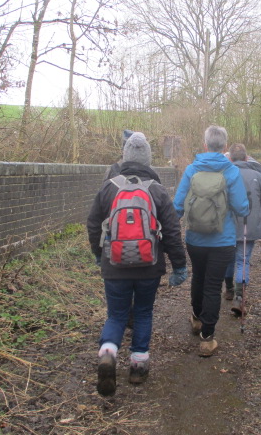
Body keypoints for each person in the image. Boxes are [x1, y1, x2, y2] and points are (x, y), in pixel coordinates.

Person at [87, 132, 188, 396]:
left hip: (114, 264)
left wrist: (99, 253)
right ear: (148, 160)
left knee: (117, 314)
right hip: (148, 265)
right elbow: (173, 232)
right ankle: (138, 367)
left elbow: (92, 223)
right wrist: (179, 266)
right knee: (143, 312)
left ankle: (108, 352)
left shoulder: (109, 186)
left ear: (125, 157)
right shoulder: (156, 190)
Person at [173, 126, 249, 357]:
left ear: (205, 145)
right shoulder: (231, 171)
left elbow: (177, 205)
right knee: (213, 286)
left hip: (195, 239)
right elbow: (242, 207)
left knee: (198, 277)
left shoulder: (191, 169)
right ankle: (207, 339)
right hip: (222, 241)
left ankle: (196, 319)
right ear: (225, 147)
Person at [223, 143, 261, 314]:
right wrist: (256, 216)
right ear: (246, 158)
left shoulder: (225, 175)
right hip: (248, 227)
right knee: (242, 260)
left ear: (230, 158)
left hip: (228, 226)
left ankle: (229, 289)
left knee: (229, 259)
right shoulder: (257, 176)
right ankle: (239, 297)